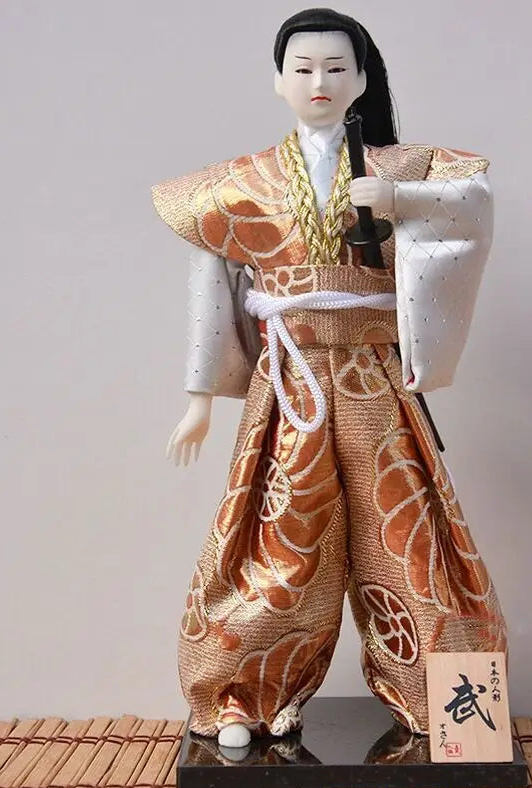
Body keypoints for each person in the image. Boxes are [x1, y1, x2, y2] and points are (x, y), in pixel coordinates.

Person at [152, 7, 507, 749]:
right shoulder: (237, 184)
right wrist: (198, 400)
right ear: (277, 81)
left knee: (407, 531)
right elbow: (210, 287)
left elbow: (472, 204)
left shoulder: (402, 168)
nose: (320, 81)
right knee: (278, 534)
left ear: (363, 80)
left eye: (337, 67)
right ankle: (245, 694)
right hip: (290, 381)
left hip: (374, 375)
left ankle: (446, 701)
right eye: (304, 68)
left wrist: (402, 201)